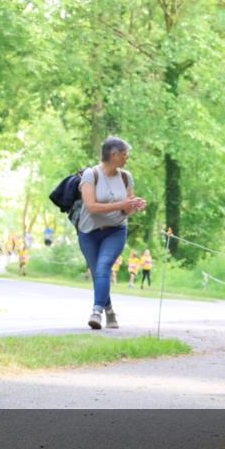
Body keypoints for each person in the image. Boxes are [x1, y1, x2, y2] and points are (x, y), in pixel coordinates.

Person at [76, 136, 147, 329]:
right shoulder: (91, 175)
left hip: (115, 230)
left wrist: (133, 206)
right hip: (89, 232)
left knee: (104, 267)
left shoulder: (126, 177)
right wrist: (122, 204)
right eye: (125, 155)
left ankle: (96, 312)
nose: (127, 158)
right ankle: (110, 311)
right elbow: (91, 207)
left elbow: (126, 209)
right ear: (114, 155)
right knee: (98, 272)